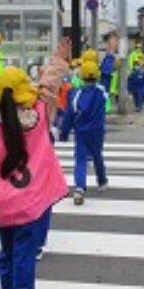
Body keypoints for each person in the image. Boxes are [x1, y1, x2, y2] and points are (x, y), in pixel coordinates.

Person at [0, 38, 71, 289]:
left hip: (0, 204)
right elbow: (49, 86)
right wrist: (58, 59)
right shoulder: (40, 115)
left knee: (7, 249)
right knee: (25, 254)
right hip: (30, 202)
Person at [60, 60, 108, 206]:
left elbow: (69, 115)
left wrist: (64, 133)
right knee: (97, 155)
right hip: (97, 130)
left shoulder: (75, 94)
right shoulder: (101, 92)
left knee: (80, 159)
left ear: (81, 75)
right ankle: (101, 180)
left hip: (81, 131)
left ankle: (79, 188)